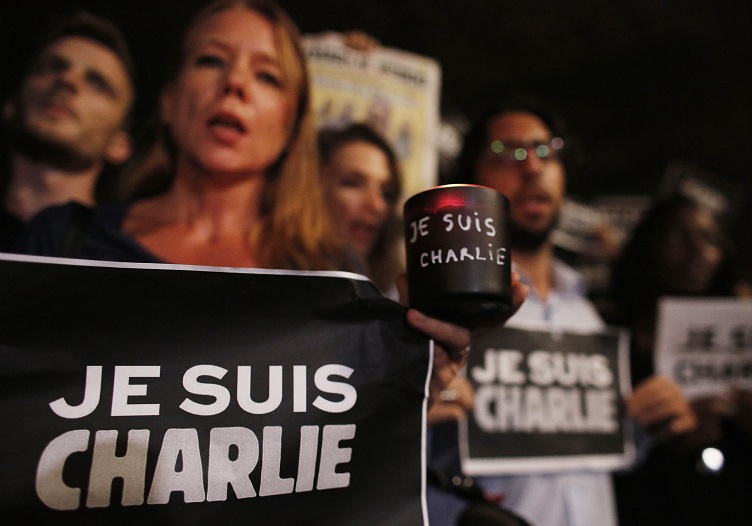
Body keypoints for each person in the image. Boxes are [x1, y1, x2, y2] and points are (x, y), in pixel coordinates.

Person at [14, 0, 529, 408]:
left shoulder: (334, 277)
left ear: (290, 125)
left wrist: (423, 368)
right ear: (169, 101)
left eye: (267, 76)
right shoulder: (61, 242)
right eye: (211, 59)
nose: (234, 84)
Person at [428, 100, 696, 526]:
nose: (532, 167)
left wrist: (646, 425)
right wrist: (413, 415)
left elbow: (590, 458)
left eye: (545, 151)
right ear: (471, 179)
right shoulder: (435, 301)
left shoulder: (584, 311)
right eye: (508, 153)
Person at [607, 195, 752, 526]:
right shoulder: (611, 336)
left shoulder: (751, 336)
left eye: (711, 239)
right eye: (677, 237)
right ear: (647, 245)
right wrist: (661, 440)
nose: (698, 250)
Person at [0, 12, 135, 251]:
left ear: (120, 144)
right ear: (10, 107)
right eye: (52, 67)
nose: (67, 80)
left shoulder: (123, 259)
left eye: (97, 83)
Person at [317, 121, 403, 293]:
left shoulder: (396, 293)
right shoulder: (272, 272)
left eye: (386, 193)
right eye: (353, 184)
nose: (377, 205)